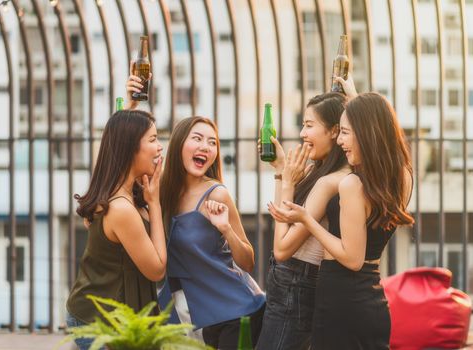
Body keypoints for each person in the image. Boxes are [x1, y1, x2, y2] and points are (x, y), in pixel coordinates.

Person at [270, 88, 413, 349]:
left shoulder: (351, 185)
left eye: (345, 132)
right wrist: (354, 94)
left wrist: (307, 220)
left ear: (366, 133)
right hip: (373, 302)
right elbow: (377, 124)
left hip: (340, 299)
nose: (339, 140)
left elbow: (352, 259)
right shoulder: (402, 177)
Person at [158, 116, 265, 349]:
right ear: (178, 145)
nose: (205, 147)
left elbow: (247, 261)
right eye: (197, 139)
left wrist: (225, 228)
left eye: (212, 142)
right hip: (195, 316)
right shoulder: (161, 191)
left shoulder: (216, 193)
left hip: (236, 311)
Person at [66, 109, 166, 350]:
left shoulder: (122, 192)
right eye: (153, 139)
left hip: (103, 315)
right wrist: (154, 203)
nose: (160, 147)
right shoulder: (121, 209)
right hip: (98, 323)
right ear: (130, 148)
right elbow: (157, 269)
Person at [257, 92, 350, 350]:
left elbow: (283, 248)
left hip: (297, 281)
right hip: (289, 281)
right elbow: (282, 216)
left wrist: (287, 183)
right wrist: (280, 171)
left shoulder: (330, 181)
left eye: (309, 125)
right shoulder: (317, 170)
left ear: (333, 131)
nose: (302, 133)